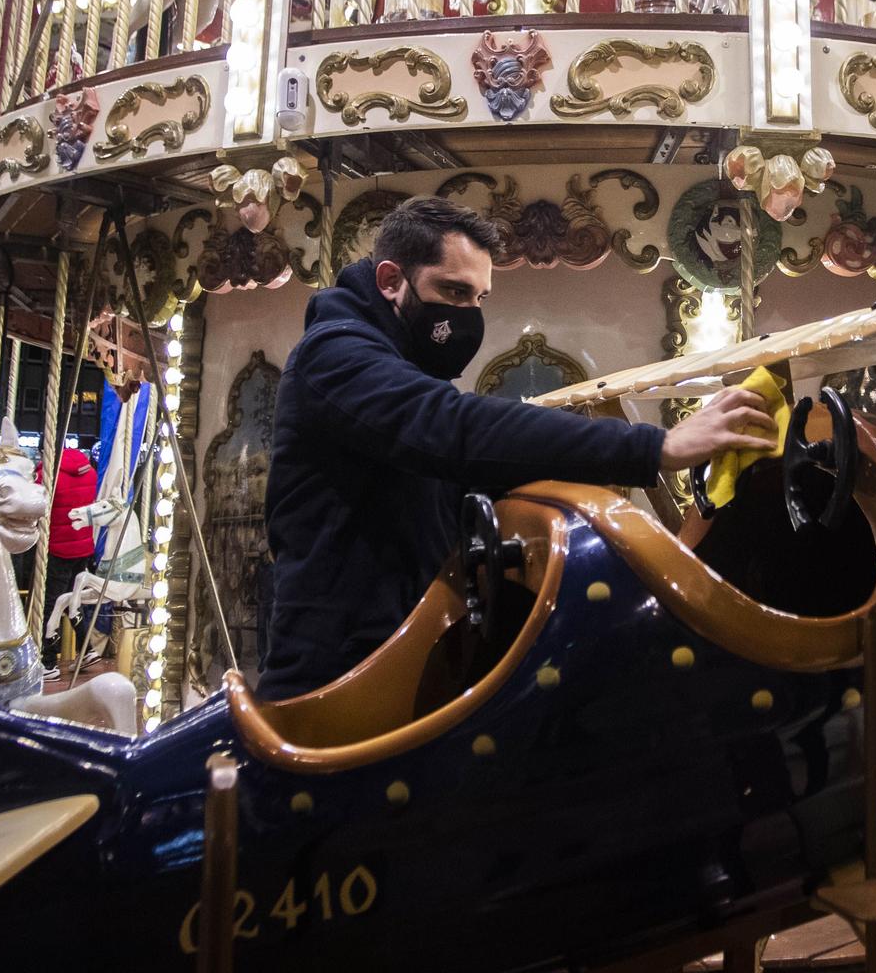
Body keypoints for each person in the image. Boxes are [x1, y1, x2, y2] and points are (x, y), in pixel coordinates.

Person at [258, 196, 777, 701]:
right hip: (335, 672)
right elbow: (454, 431)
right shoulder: (334, 355)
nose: (467, 313)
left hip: (403, 651)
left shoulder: (401, 365)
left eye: (479, 298)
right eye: (454, 292)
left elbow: (468, 474)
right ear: (391, 281)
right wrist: (656, 446)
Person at [37, 439, 99, 667]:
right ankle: (86, 649)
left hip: (59, 547)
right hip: (82, 546)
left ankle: (48, 661)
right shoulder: (89, 472)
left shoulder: (48, 475)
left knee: (50, 604)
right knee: (72, 601)